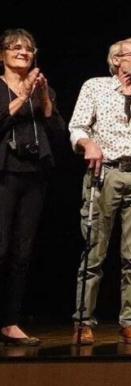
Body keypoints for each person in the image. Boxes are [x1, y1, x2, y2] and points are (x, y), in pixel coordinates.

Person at [69, 37, 131, 345]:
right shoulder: (94, 87)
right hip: (104, 173)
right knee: (94, 251)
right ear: (117, 61)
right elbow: (77, 127)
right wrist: (88, 143)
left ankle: (130, 323)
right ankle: (83, 322)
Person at [0, 29, 65, 346]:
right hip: (4, 174)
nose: (23, 52)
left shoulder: (43, 88)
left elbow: (57, 131)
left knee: (22, 253)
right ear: (2, 55)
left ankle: (10, 322)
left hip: (34, 174)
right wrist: (23, 97)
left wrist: (41, 99)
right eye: (15, 47)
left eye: (28, 48)